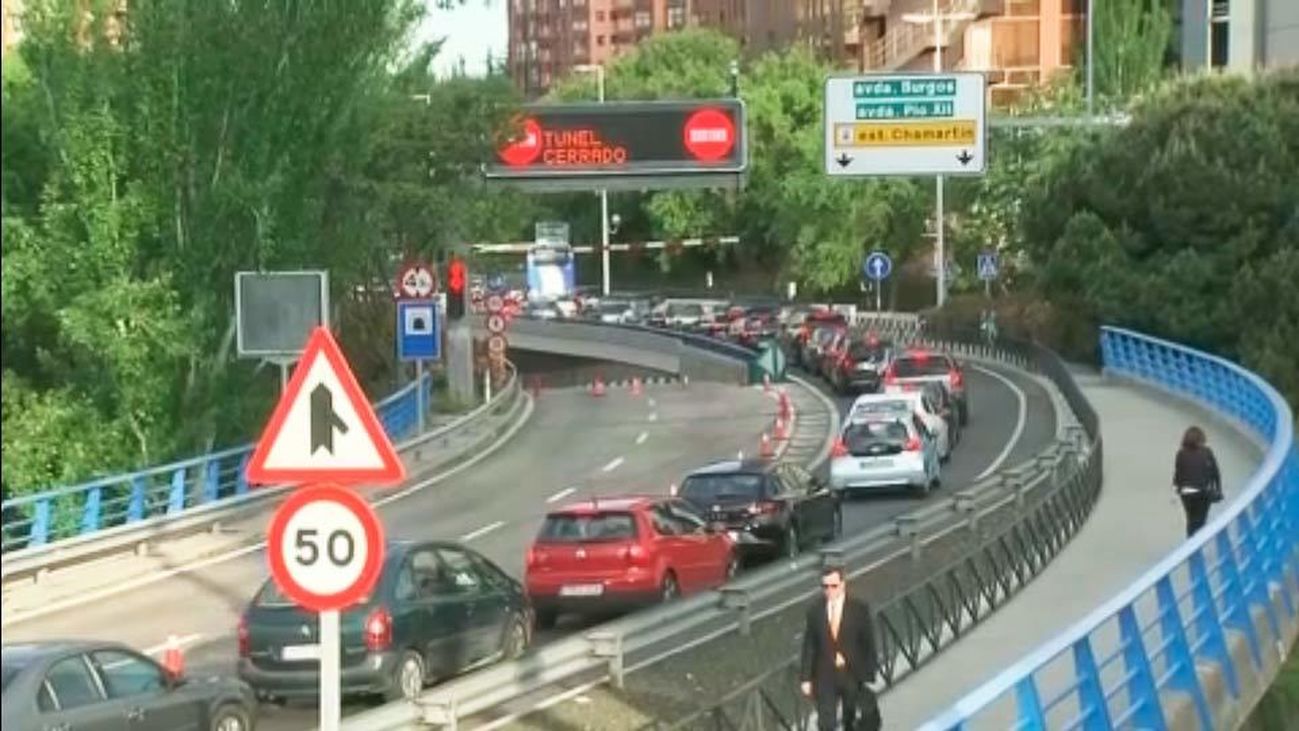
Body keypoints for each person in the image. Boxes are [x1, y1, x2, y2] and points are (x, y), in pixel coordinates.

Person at [800, 566, 881, 731]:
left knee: (850, 719)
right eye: (825, 586)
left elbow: (868, 643)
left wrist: (869, 673)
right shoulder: (815, 611)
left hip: (851, 673)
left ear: (843, 584)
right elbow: (809, 645)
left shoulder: (859, 609)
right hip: (824, 675)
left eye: (833, 586)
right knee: (826, 723)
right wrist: (805, 678)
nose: (829, 590)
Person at [1173, 425, 1222, 537]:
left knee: (1191, 519)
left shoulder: (1181, 453)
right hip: (1203, 491)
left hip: (1185, 492)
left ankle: (1190, 541)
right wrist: (1218, 490)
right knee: (1201, 520)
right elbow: (1215, 473)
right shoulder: (1207, 452)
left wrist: (1177, 488)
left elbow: (1178, 474)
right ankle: (1198, 543)